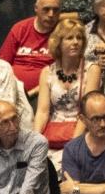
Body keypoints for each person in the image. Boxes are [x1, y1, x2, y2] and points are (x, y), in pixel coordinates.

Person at [34, 15, 99, 150]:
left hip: (82, 133)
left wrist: (73, 146)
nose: (76, 42)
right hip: (53, 133)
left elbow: (88, 112)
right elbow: (42, 112)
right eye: (69, 38)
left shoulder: (92, 70)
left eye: (79, 38)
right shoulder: (47, 72)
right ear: (59, 43)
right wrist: (35, 142)